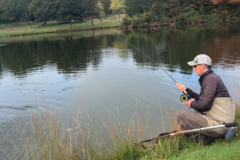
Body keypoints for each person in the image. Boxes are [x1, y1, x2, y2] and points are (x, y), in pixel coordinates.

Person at [176, 54, 236, 145]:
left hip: (220, 125)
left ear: (202, 66)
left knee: (181, 115)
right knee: (193, 114)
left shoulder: (210, 79)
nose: (193, 68)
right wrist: (186, 90)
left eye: (195, 66)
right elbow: (203, 98)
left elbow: (204, 105)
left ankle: (202, 140)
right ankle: (204, 136)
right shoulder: (210, 77)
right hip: (222, 122)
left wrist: (191, 104)